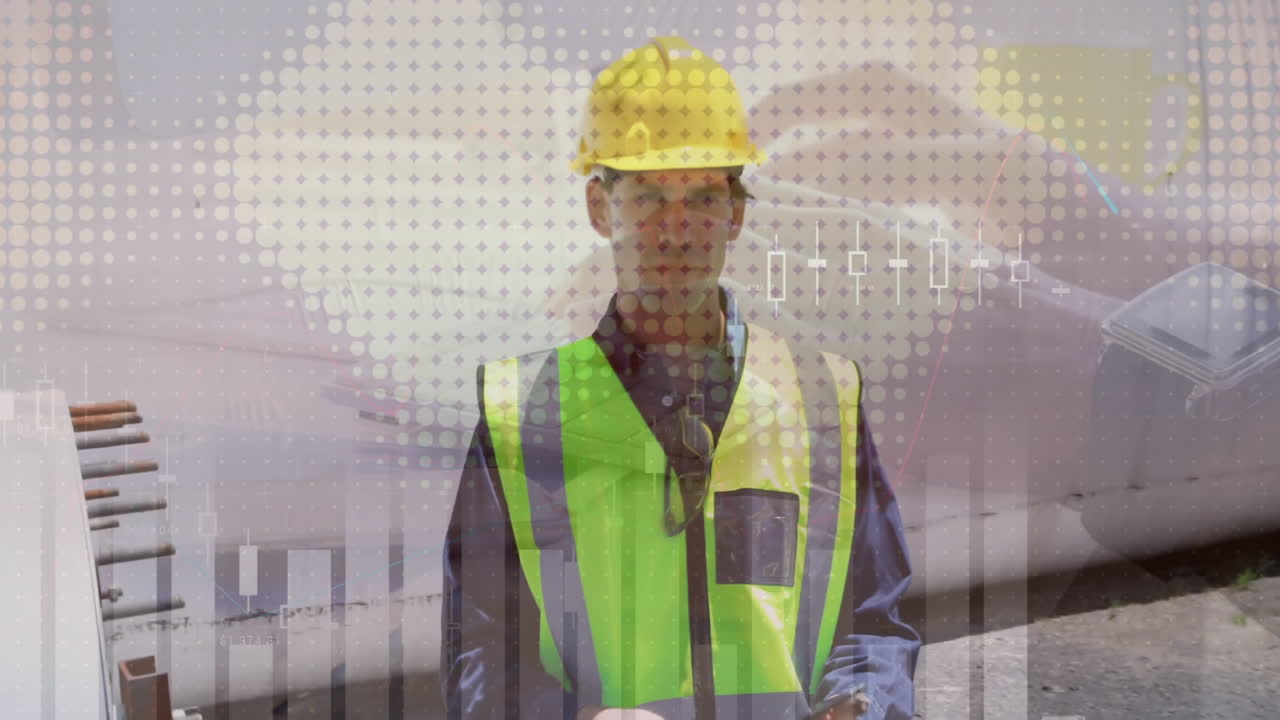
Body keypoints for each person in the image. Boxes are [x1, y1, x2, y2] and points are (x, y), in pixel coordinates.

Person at [441, 36, 920, 720]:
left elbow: (873, 622)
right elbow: (482, 647)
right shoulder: (525, 414)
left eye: (701, 197)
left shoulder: (820, 397)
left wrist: (863, 704)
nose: (677, 231)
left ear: (737, 214)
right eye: (648, 197)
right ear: (599, 210)